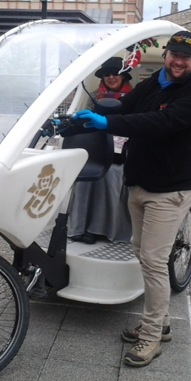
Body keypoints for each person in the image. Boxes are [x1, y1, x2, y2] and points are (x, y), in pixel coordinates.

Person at [72, 31, 191, 367]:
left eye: (186, 58)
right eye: (174, 54)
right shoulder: (152, 83)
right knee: (142, 254)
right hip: (139, 183)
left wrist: (107, 122)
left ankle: (151, 336)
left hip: (170, 189)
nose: (179, 61)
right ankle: (159, 322)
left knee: (152, 260)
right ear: (166, 55)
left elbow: (158, 123)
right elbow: (126, 106)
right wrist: (90, 114)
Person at [68, 57, 133, 244]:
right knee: (84, 178)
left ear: (123, 76)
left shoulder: (132, 98)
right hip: (96, 148)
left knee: (112, 175)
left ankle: (98, 229)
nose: (111, 77)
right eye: (107, 74)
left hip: (123, 153)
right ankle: (79, 226)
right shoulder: (94, 97)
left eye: (115, 73)